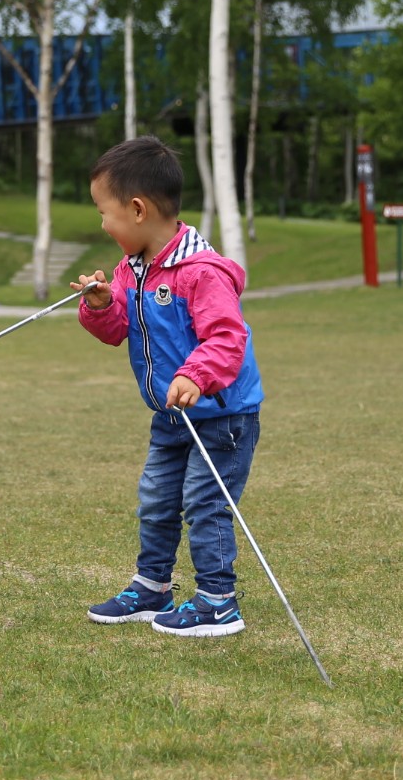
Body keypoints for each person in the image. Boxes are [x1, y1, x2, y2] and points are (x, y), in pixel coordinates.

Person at [73, 136, 264, 637]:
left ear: (137, 210)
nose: (102, 223)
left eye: (104, 212)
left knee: (205, 503)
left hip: (221, 417)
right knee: (156, 499)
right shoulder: (130, 272)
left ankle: (218, 602)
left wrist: (192, 375)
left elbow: (227, 338)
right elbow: (116, 330)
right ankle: (152, 587)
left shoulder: (201, 273)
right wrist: (99, 305)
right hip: (171, 415)